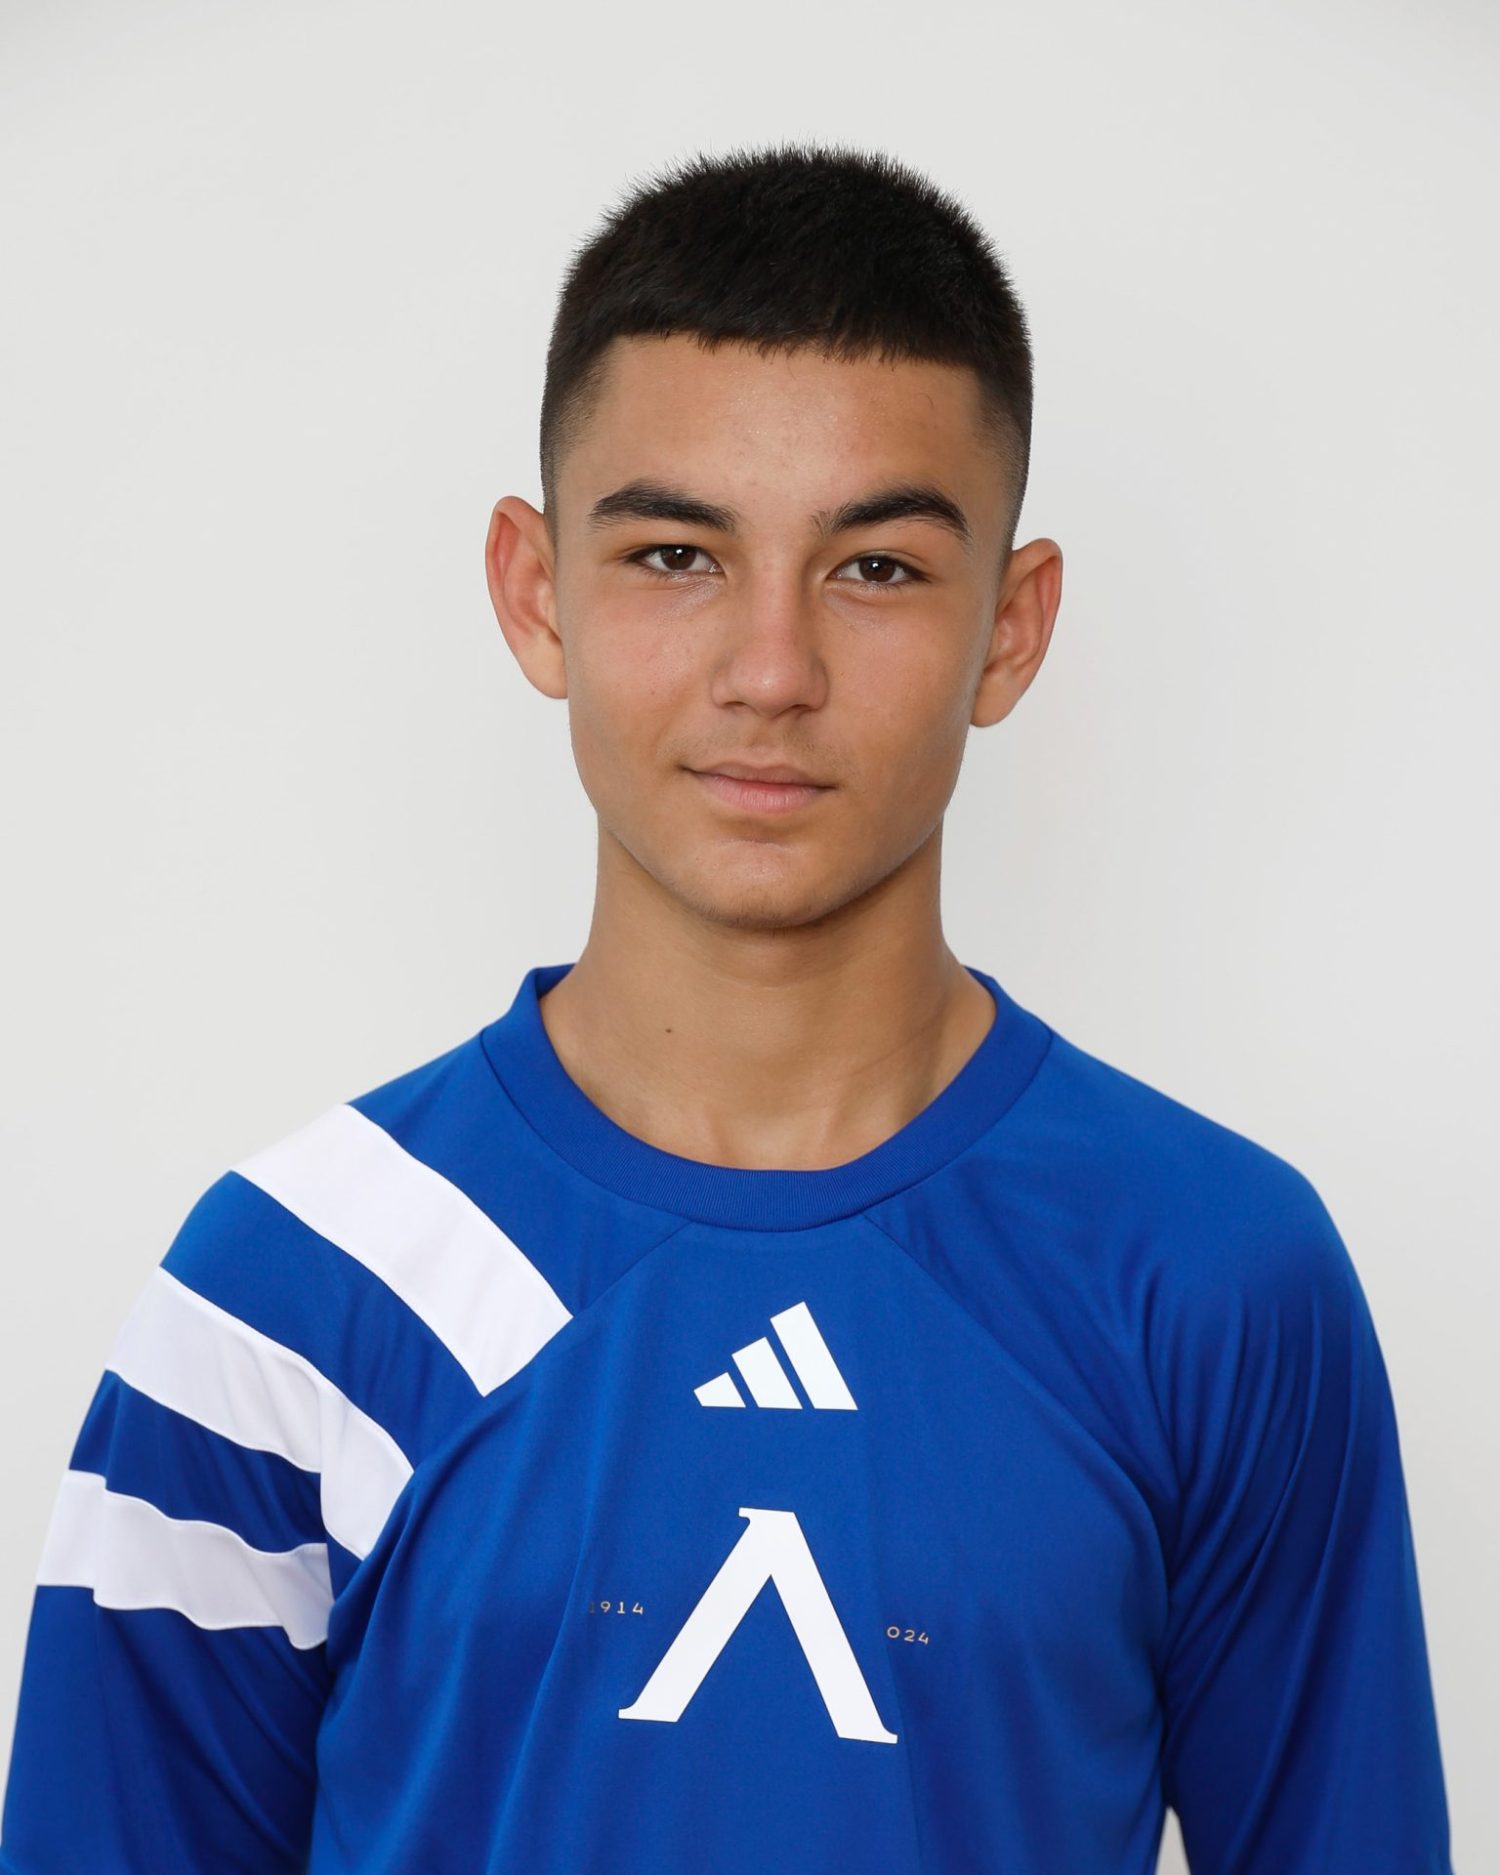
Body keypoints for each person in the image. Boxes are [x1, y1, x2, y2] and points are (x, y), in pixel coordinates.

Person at [0, 141, 1454, 1875]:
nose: (772, 671)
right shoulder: (292, 1287)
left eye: (877, 568)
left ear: (1012, 628)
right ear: (536, 592)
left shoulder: (1213, 1274)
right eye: (678, 554)